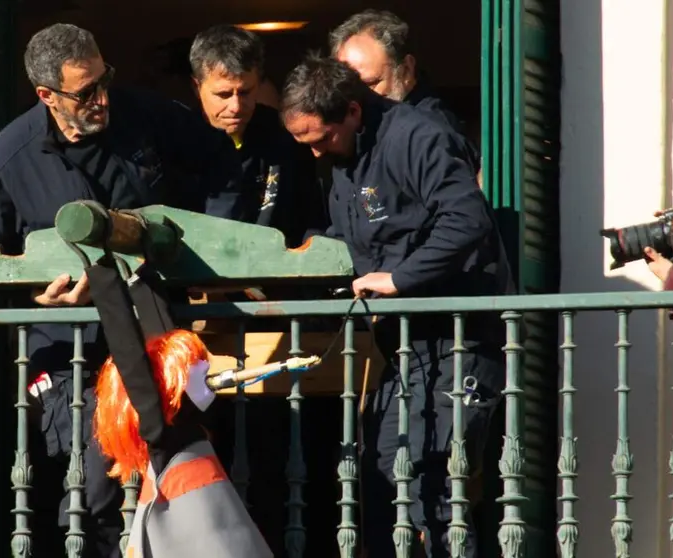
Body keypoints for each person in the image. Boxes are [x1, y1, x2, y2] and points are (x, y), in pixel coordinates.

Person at [0, 23, 246, 558]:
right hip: (68, 351)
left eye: (104, 79)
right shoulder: (4, 161)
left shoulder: (150, 116)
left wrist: (205, 264)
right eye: (86, 91)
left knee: (184, 476)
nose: (103, 98)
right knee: (90, 492)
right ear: (47, 95)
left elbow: (226, 171)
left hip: (157, 337)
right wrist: (35, 298)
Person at [280, 54, 513, 557]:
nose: (316, 152)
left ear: (352, 111)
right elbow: (355, 236)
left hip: (461, 339)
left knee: (436, 484)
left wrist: (399, 279)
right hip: (406, 347)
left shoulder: (417, 136)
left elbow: (467, 219)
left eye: (322, 138)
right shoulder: (346, 160)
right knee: (386, 473)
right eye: (305, 142)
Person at [87, 253, 272, 558]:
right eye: (197, 370)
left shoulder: (191, 421)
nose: (207, 371)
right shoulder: (162, 432)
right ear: (174, 389)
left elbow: (164, 342)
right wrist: (102, 274)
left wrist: (141, 279)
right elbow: (131, 359)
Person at [189, 24, 327, 247]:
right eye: (223, 94)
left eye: (245, 92)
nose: (235, 106)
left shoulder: (286, 137)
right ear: (197, 87)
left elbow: (313, 215)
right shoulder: (177, 142)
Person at [328, 9, 482, 183]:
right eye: (348, 89)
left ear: (407, 69)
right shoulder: (360, 133)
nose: (357, 100)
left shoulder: (432, 135)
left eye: (371, 84)